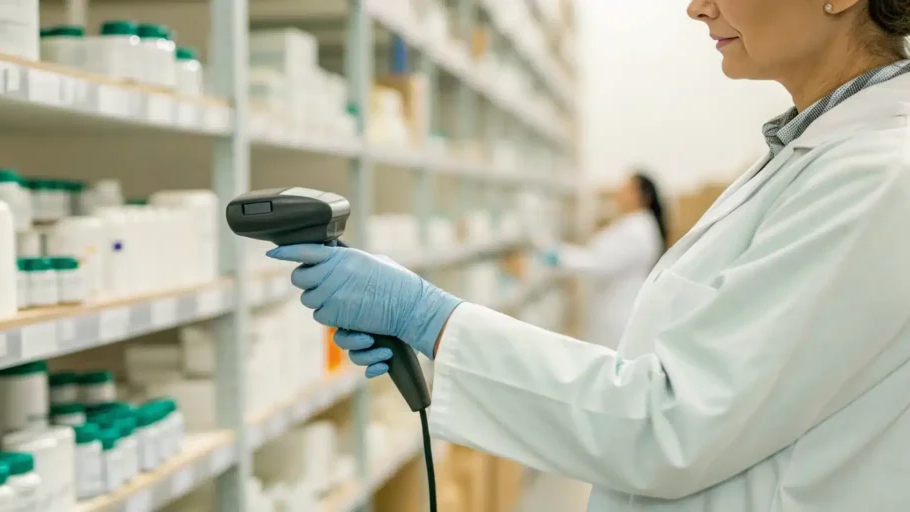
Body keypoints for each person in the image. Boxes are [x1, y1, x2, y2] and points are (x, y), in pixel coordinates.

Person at [268, 0, 910, 509]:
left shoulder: (877, 177)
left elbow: (671, 425)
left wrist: (432, 319)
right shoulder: (805, 154)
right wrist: (441, 339)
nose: (696, 7)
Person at [541, 171, 668, 349]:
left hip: (617, 318)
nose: (618, 191)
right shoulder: (630, 224)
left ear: (641, 196)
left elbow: (601, 263)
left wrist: (561, 256)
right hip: (609, 313)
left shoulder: (637, 230)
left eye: (625, 188)